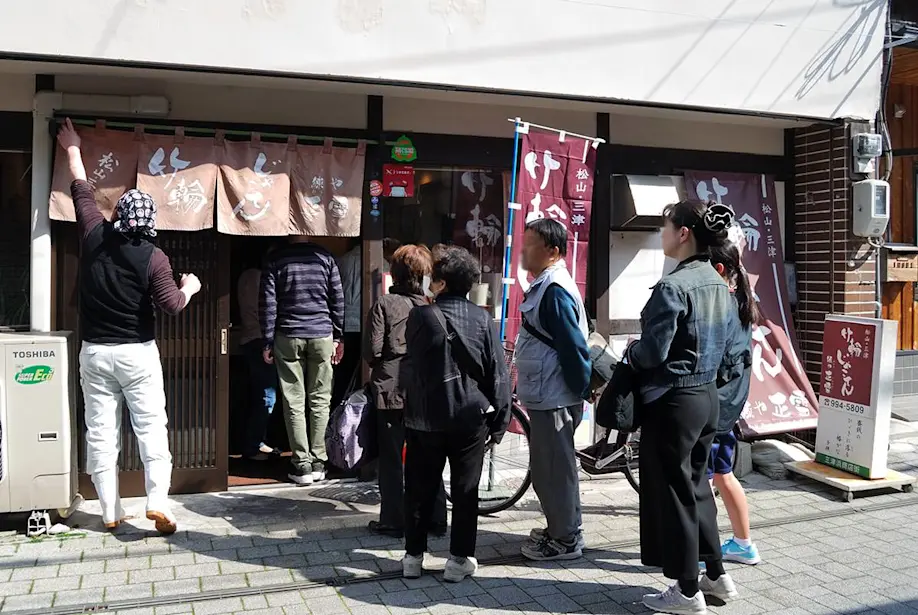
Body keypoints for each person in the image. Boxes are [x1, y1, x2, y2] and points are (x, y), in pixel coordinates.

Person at [56, 118, 202, 534]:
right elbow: (171, 305)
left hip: (95, 353)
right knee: (151, 427)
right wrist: (189, 287)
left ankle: (109, 510)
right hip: (137, 353)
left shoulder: (94, 234)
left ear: (118, 214)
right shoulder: (154, 258)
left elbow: (81, 187)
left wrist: (72, 146)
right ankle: (158, 502)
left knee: (101, 432)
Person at [625, 200, 737, 615]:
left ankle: (687, 592)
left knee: (675, 493)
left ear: (684, 233)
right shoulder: (716, 280)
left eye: (666, 227)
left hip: (674, 400)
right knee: (697, 486)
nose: (663, 234)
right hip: (707, 396)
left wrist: (630, 353)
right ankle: (716, 575)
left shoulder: (673, 286)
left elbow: (653, 352)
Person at [402, 246, 511, 583]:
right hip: (469, 418)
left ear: (442, 283)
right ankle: (458, 560)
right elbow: (498, 373)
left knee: (419, 488)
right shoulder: (482, 319)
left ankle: (412, 557)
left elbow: (412, 364)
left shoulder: (420, 317)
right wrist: (500, 421)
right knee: (466, 490)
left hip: (424, 417)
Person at [513, 219, 591, 562]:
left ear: (553, 251)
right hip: (548, 392)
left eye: (531, 244)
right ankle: (561, 528)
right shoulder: (545, 284)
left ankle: (566, 539)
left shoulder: (555, 289)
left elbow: (573, 347)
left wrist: (580, 389)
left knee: (555, 470)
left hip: (555, 394)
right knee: (549, 468)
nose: (523, 250)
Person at [363, 245, 447, 539]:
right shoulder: (432, 307)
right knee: (429, 456)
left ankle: (394, 521)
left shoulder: (384, 304)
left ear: (395, 273)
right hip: (425, 390)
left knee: (391, 459)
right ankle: (436, 519)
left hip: (390, 389)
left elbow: (372, 351)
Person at [261, 236, 344, 485]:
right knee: (321, 399)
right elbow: (337, 299)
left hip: (288, 334)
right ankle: (319, 461)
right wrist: (338, 336)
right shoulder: (325, 257)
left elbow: (268, 303)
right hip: (322, 333)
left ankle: (302, 464)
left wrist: (267, 340)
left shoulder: (276, 259)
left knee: (293, 401)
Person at [708, 241, 761, 566]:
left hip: (713, 407)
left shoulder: (721, 306)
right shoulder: (741, 302)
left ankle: (703, 552)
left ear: (718, 269)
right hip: (730, 406)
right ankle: (743, 544)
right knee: (724, 475)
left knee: (703, 482)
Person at [237, 247, 280, 461]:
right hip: (260, 339)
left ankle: (256, 442)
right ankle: (253, 446)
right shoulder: (259, 277)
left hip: (248, 337)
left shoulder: (245, 276)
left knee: (258, 394)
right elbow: (266, 309)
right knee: (267, 395)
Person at [333, 240, 363, 410]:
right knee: (361, 372)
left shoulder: (341, 261)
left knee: (342, 373)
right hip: (365, 323)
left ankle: (339, 409)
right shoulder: (380, 262)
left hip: (343, 323)